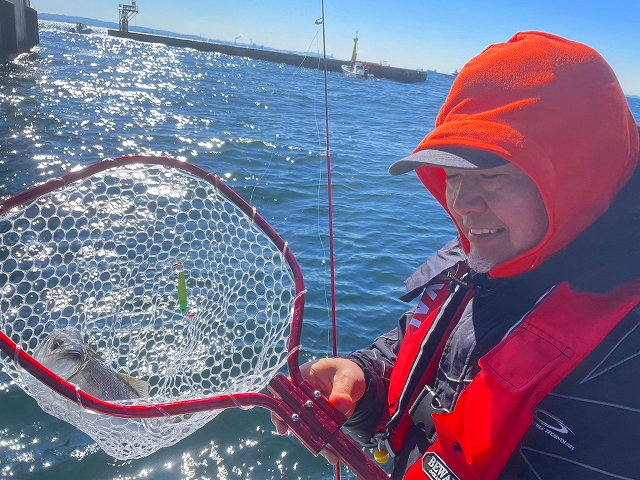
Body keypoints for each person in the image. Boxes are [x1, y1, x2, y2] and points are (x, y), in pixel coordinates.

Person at [273, 31, 640, 479]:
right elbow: (418, 359)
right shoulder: (488, 254)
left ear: (577, 177)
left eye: (492, 175)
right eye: (451, 174)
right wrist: (360, 376)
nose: (462, 204)